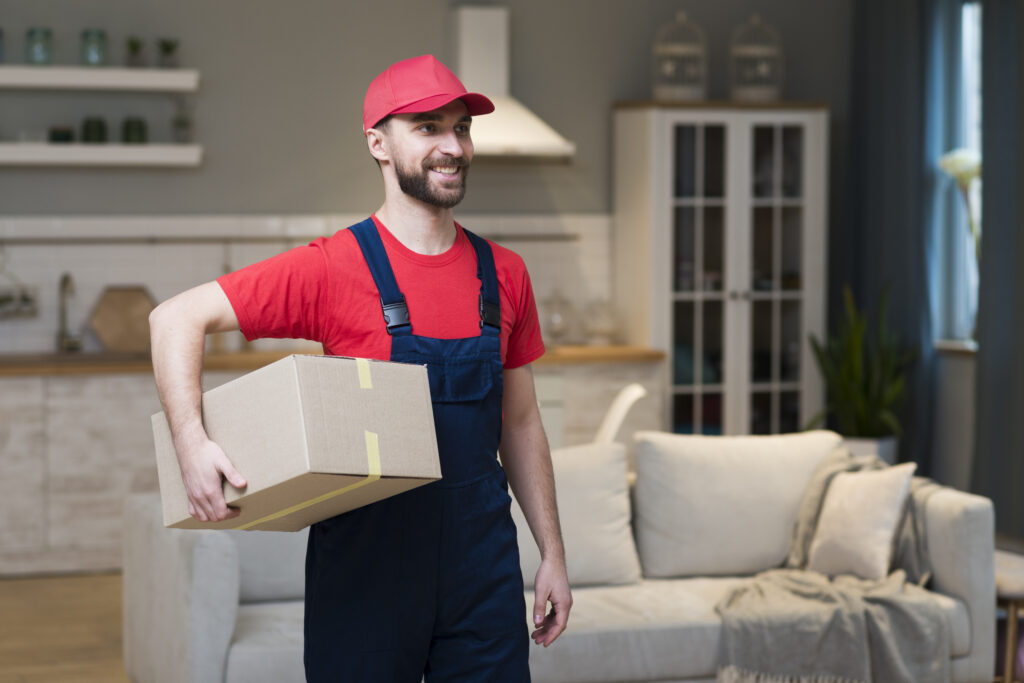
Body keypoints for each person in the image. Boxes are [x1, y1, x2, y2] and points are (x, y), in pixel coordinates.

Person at [149, 53, 571, 681]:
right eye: (427, 128)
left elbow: (521, 422)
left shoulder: (504, 274)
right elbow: (174, 319)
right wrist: (191, 444)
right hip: (366, 574)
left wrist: (552, 554)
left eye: (461, 128)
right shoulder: (333, 266)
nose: (452, 146)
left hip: (482, 568)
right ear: (378, 143)